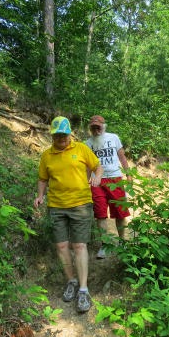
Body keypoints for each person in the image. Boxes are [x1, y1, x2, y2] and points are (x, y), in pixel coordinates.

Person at [34, 116, 103, 313]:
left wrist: (97, 177)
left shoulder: (81, 148)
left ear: (70, 133)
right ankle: (71, 281)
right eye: (57, 136)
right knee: (62, 246)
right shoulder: (47, 155)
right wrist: (40, 196)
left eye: (64, 135)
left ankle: (83, 289)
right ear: (52, 136)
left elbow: (97, 166)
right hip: (56, 206)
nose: (61, 139)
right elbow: (42, 178)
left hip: (80, 204)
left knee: (79, 245)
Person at [85, 115, 131, 259]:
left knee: (120, 212)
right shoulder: (87, 144)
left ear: (103, 126)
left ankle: (123, 242)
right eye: (93, 127)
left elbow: (122, 157)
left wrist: (128, 175)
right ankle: (105, 245)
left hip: (115, 178)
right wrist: (85, 181)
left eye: (98, 126)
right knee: (100, 213)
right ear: (90, 128)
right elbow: (87, 165)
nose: (96, 129)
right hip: (96, 182)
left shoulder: (113, 138)